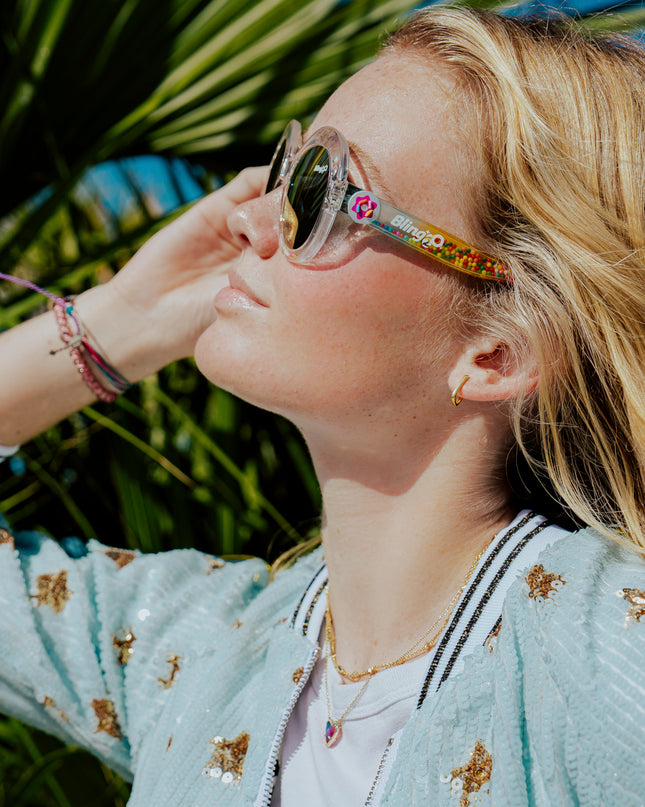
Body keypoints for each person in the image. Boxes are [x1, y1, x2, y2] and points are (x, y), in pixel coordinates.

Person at [1, 6, 645, 806]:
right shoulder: (202, 655)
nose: (247, 219)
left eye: (323, 188)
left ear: (497, 352)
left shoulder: (609, 653)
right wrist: (119, 325)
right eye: (285, 166)